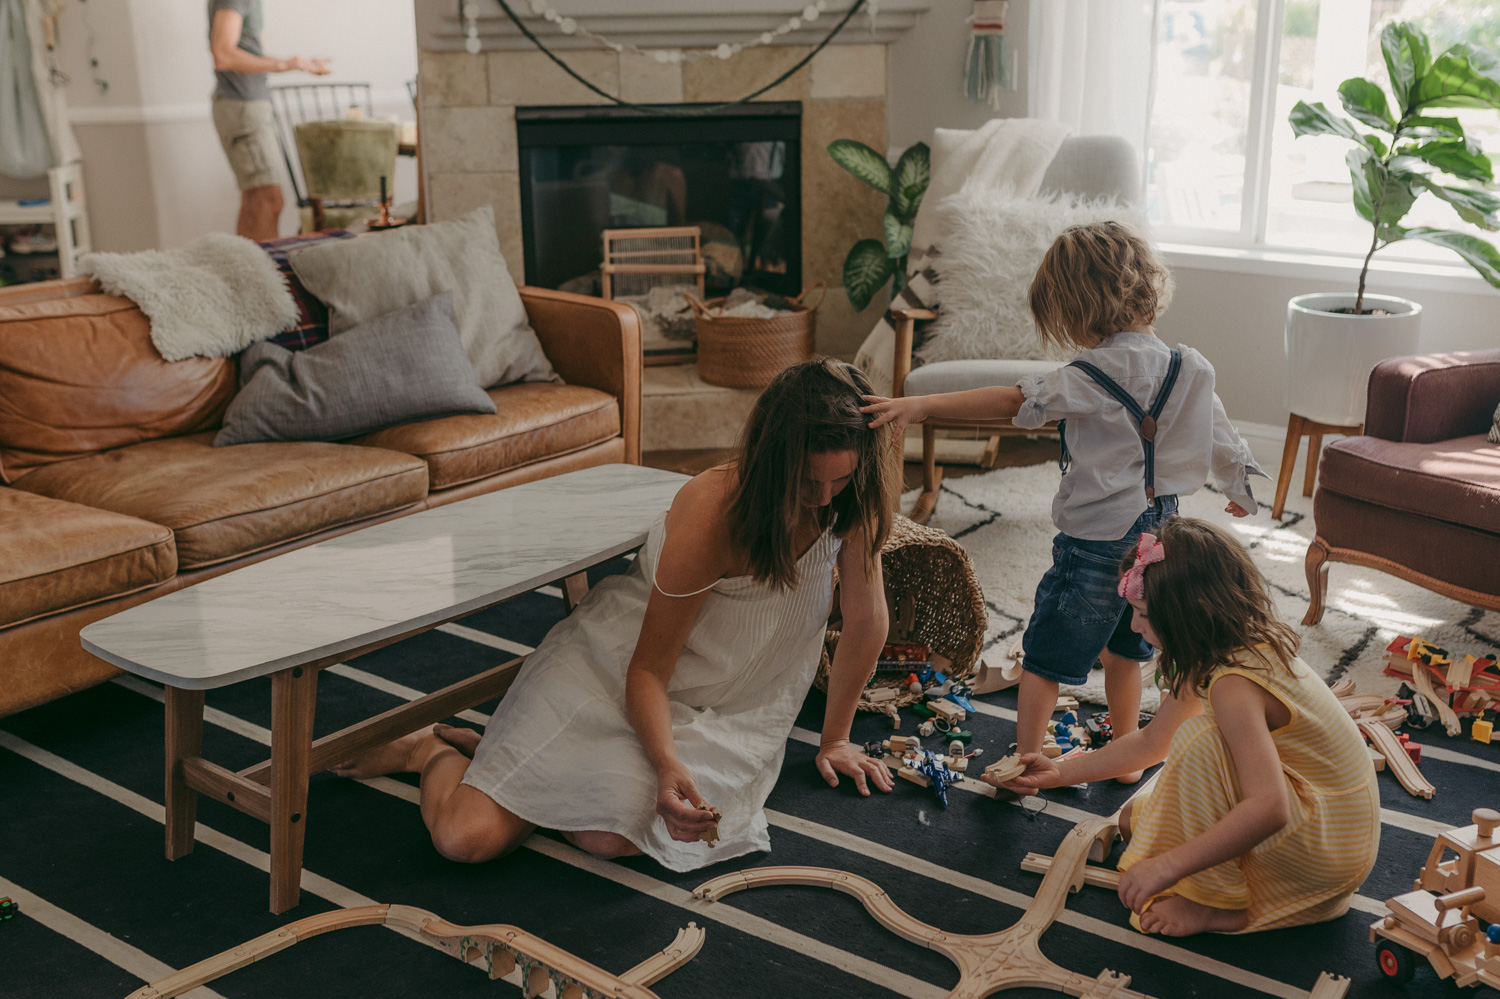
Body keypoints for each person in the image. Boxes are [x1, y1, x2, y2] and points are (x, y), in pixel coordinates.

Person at [334, 359, 898, 870]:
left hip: (729, 708)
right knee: (464, 839)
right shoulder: (715, 511)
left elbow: (867, 621)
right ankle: (426, 748)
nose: (824, 499)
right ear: (772, 461)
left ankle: (519, 766)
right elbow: (647, 669)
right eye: (806, 482)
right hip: (616, 674)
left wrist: (835, 739)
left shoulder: (851, 504)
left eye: (840, 480)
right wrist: (664, 764)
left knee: (610, 838)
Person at [862, 220, 1264, 776]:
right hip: (1160, 531)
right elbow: (1220, 433)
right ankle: (1127, 753)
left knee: (1047, 653)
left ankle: (1027, 759)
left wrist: (922, 407)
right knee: (1132, 642)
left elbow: (1012, 400)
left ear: (1076, 308)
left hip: (1097, 540)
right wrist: (1239, 486)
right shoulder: (1189, 367)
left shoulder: (1090, 373)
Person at [991, 518, 1380, 936]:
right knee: (1136, 816)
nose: (1135, 626)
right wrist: (1060, 772)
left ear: (1184, 616)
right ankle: (1213, 877)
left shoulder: (1233, 685)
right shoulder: (1219, 648)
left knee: (1198, 743)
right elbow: (1153, 742)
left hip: (1327, 851)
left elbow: (1270, 807)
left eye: (1141, 614)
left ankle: (1212, 903)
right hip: (1330, 829)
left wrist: (1168, 866)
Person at [207, 0, 330, 240]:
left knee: (255, 200)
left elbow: (242, 49)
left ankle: (245, 273)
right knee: (269, 199)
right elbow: (223, 53)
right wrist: (288, 63)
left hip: (245, 104)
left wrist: (299, 63)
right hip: (243, 106)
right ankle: (264, 276)